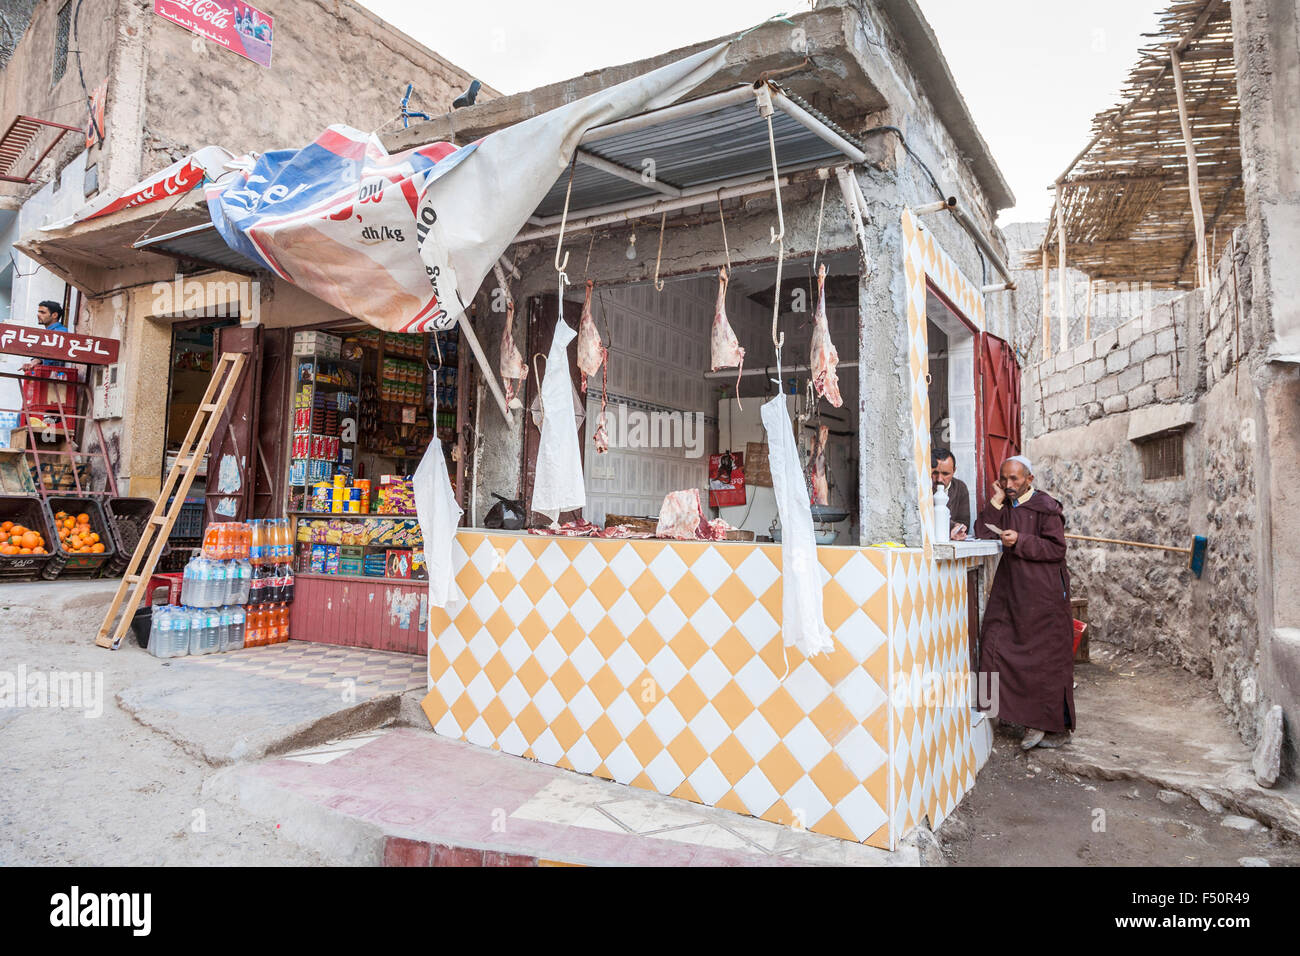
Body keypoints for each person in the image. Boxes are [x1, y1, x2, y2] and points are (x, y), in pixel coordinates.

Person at [976, 454, 1074, 749]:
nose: (1008, 484)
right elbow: (981, 532)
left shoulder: (1045, 508)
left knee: (1041, 659)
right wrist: (995, 499)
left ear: (1029, 479)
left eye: (1014, 479)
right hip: (1011, 591)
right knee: (995, 640)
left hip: (1042, 594)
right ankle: (1005, 711)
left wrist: (1020, 540)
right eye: (1003, 479)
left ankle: (1044, 724)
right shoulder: (1005, 504)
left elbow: (1057, 549)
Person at [931, 447, 970, 540]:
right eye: (935, 473)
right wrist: (953, 525)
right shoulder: (922, 488)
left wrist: (958, 530)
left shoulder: (960, 488)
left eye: (945, 474)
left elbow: (964, 523)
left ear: (954, 471)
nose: (939, 479)